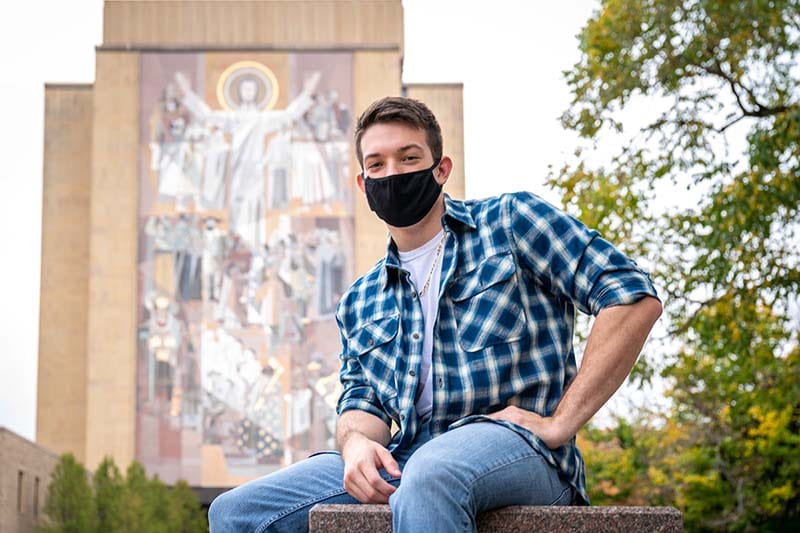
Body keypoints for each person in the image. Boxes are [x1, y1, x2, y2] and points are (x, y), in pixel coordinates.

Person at [207, 96, 663, 532]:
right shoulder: (360, 299)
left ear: (441, 169)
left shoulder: (510, 222)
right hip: (407, 460)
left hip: (522, 450)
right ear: (363, 184)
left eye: (409, 158)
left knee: (433, 472)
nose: (393, 173)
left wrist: (560, 423)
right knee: (238, 511)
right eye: (377, 164)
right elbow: (362, 404)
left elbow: (630, 296)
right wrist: (357, 444)